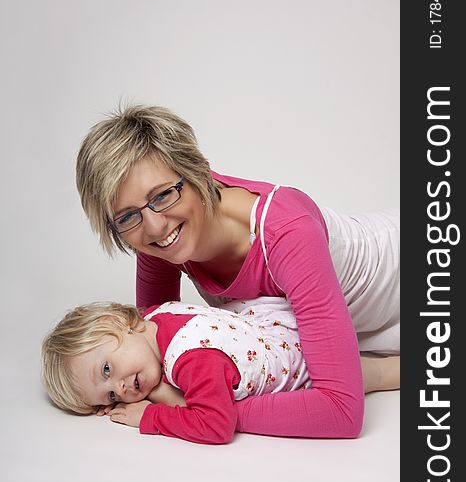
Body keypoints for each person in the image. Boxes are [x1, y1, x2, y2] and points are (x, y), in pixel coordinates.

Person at [76, 104, 400, 439]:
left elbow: (340, 412)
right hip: (354, 335)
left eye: (162, 195)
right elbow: (154, 352)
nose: (155, 225)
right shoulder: (160, 239)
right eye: (127, 217)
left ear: (199, 173)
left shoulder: (286, 232)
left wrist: (203, 412)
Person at [42, 298, 399, 445]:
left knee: (380, 374)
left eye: (107, 368)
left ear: (118, 323)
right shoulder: (153, 317)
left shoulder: (191, 360)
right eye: (110, 395)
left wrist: (150, 415)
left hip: (306, 367)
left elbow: (217, 425)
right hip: (285, 324)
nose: (121, 387)